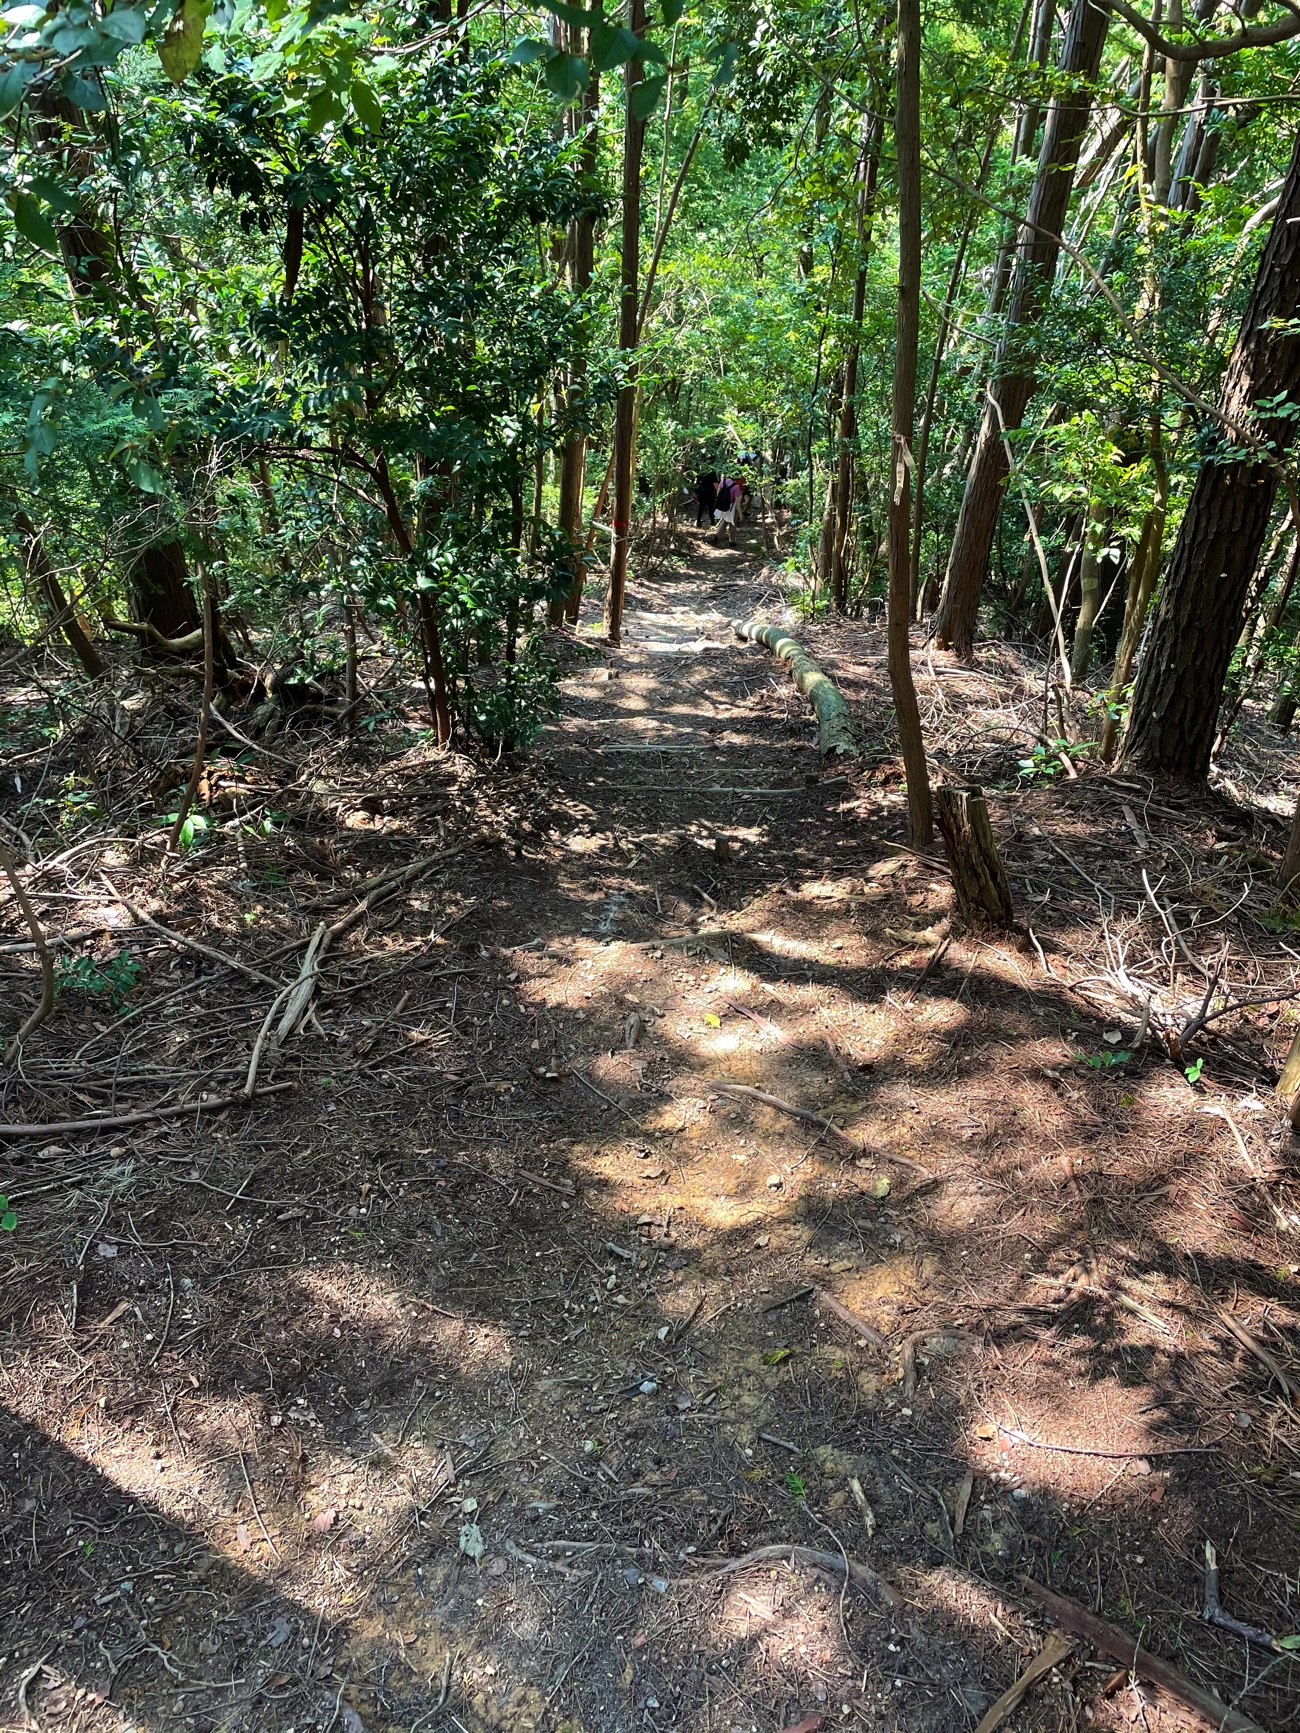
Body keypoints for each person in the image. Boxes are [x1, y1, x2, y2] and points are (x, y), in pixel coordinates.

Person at [713, 474, 741, 543]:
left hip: (721, 505)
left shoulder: (723, 481)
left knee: (725, 520)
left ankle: (717, 536)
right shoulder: (736, 487)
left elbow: (718, 492)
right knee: (732, 523)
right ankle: (732, 541)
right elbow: (737, 502)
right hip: (731, 507)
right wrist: (740, 513)